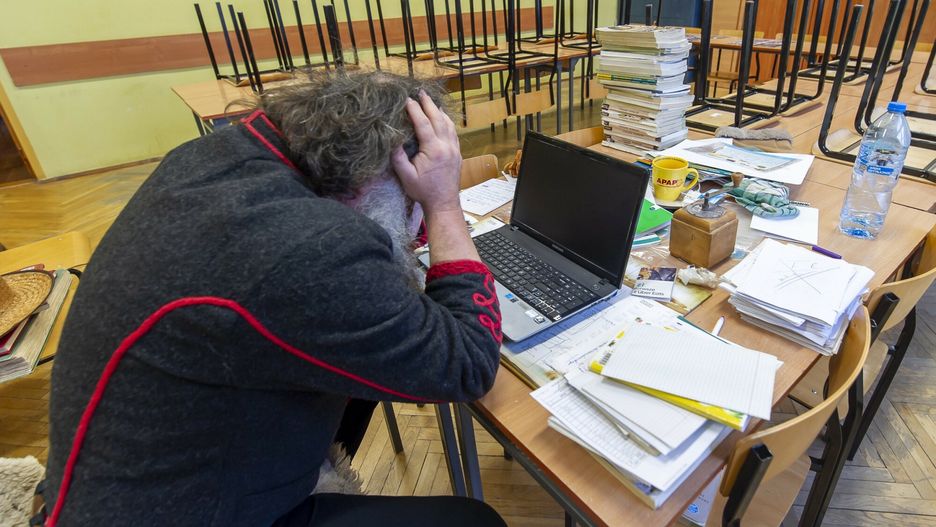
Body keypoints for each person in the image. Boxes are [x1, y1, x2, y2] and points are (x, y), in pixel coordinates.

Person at [43, 70, 505, 527]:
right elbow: (467, 365)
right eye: (411, 204)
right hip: (173, 511)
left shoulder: (216, 155)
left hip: (116, 475)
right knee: (473, 521)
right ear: (377, 180)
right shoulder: (311, 248)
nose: (415, 223)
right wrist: (443, 203)